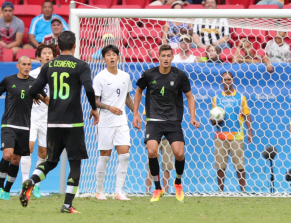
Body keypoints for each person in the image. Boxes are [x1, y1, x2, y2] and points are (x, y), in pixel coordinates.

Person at [22, 30, 99, 214]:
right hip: (73, 123)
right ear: (75, 46)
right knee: (75, 163)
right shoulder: (81, 65)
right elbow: (88, 87)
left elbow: (33, 90)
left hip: (53, 122)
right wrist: (94, 108)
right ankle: (67, 205)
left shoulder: (49, 66)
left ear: (57, 47)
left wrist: (44, 98)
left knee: (50, 161)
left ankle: (31, 181)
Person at [132, 44, 200, 202]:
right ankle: (157, 188)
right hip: (154, 121)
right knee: (151, 151)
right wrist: (136, 113)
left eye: (169, 56)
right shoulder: (149, 74)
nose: (166, 58)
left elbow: (190, 96)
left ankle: (178, 183)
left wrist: (193, 117)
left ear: (172, 57)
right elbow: (138, 91)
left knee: (179, 153)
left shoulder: (179, 75)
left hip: (173, 121)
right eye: (163, 55)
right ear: (159, 56)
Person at [0, 57, 47, 200]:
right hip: (8, 124)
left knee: (15, 160)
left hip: (24, 127)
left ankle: (6, 191)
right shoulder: (8, 80)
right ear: (18, 66)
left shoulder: (34, 84)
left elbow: (46, 99)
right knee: (7, 155)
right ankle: (1, 187)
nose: (27, 67)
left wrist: (60, 111)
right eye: (24, 64)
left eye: (29, 65)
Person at [93, 45, 134, 201]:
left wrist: (136, 112)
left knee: (124, 155)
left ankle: (118, 192)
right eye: (108, 55)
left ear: (118, 57)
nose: (111, 57)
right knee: (105, 157)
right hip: (105, 122)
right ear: (104, 58)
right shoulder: (100, 77)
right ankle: (99, 190)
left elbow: (127, 98)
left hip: (121, 122)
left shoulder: (125, 76)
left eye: (114, 55)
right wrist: (109, 107)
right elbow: (95, 101)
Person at [211, 71, 254, 193]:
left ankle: (243, 191)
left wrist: (250, 132)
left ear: (233, 81)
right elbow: (213, 121)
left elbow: (247, 115)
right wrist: (215, 119)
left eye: (229, 79)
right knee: (220, 165)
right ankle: (220, 191)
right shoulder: (216, 98)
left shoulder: (241, 98)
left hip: (237, 135)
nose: (227, 82)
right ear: (221, 81)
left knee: (240, 165)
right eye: (225, 79)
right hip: (220, 136)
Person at [24, 43, 57, 199]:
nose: (47, 55)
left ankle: (35, 186)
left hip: (48, 119)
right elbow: (27, 92)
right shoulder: (33, 74)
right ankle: (25, 183)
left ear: (54, 56)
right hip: (32, 116)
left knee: (43, 152)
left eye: (50, 52)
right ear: (39, 56)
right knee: (28, 148)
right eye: (44, 53)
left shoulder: (57, 74)